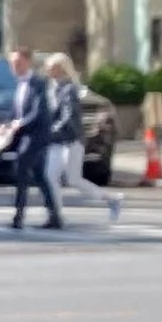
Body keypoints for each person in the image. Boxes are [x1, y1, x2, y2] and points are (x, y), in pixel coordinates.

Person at [44, 52, 122, 224]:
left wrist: (52, 130)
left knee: (74, 179)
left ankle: (111, 199)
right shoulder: (52, 88)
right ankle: (56, 215)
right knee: (50, 176)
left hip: (71, 140)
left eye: (51, 68)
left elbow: (68, 116)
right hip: (57, 141)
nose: (47, 71)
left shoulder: (69, 89)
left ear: (60, 69)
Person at [0, 44, 60, 229]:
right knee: (39, 175)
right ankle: (55, 216)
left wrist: (19, 124)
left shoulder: (39, 83)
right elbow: (16, 110)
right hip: (24, 135)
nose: (14, 66)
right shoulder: (20, 84)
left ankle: (18, 217)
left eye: (17, 62)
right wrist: (5, 124)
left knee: (21, 170)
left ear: (27, 62)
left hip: (37, 135)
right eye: (12, 63)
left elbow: (38, 112)